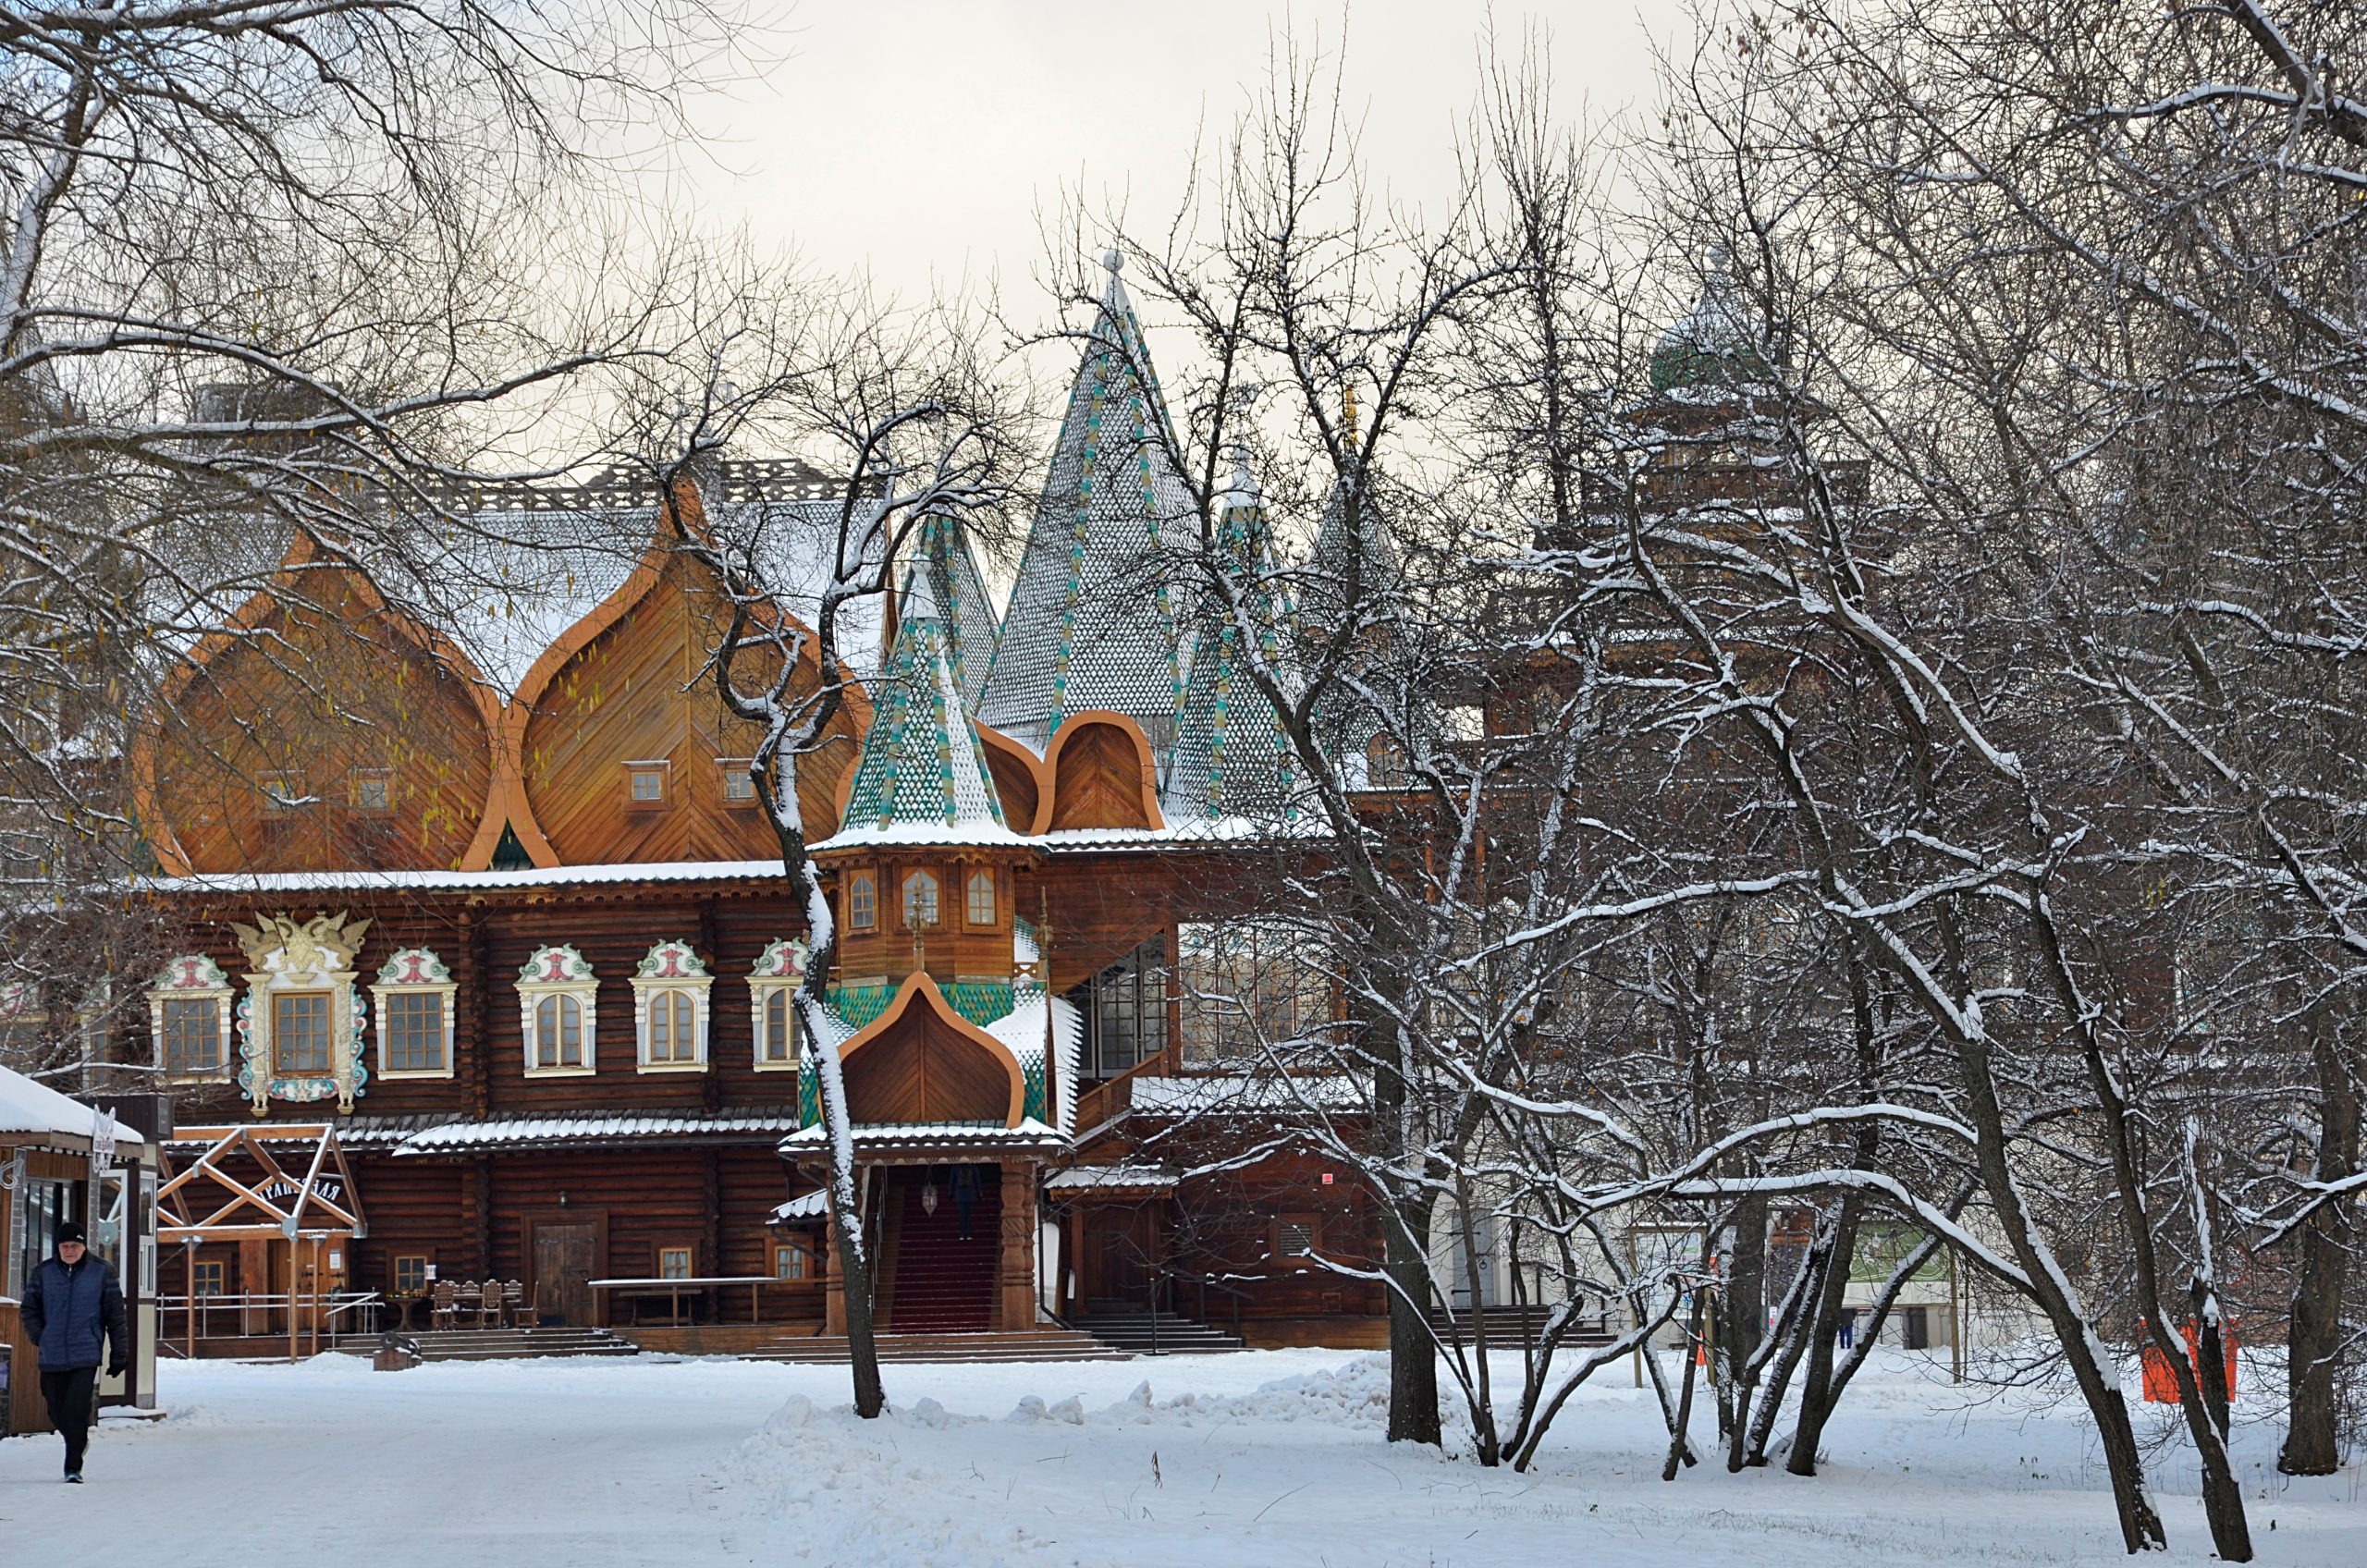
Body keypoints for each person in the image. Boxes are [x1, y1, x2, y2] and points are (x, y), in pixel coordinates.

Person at [19, 1221, 129, 1483]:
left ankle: (72, 1467)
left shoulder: (102, 1272)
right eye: (64, 1246)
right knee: (56, 1412)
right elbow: (29, 1309)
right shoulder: (43, 1273)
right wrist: (40, 1336)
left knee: (76, 1409)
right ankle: (78, 1441)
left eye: (74, 1245)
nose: (69, 1250)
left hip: (85, 1353)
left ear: (84, 1246)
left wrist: (119, 1353)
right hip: (52, 1354)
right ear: (58, 1248)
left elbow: (116, 1316)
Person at [950, 1163, 979, 1242]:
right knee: (969, 1215)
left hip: (960, 1194)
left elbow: (952, 1181)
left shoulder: (956, 1167)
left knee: (962, 1216)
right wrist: (979, 1192)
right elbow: (977, 1180)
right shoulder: (973, 1166)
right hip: (970, 1194)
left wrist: (951, 1193)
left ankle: (962, 1234)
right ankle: (968, 1234)